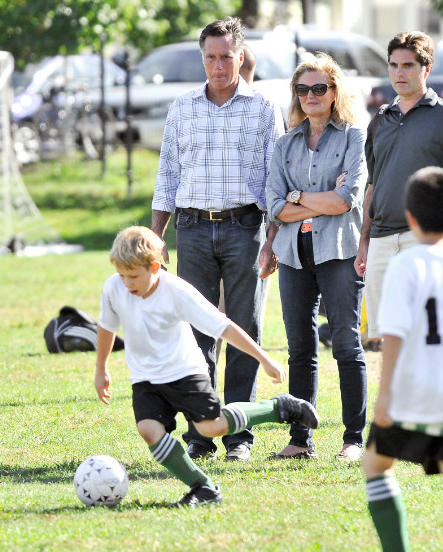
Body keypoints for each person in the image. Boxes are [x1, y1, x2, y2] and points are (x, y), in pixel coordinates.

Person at [94, 226, 319, 506]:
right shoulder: (114, 287)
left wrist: (264, 358)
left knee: (211, 427)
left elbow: (223, 326)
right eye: (122, 275)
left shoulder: (176, 291)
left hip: (185, 372)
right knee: (148, 430)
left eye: (133, 276)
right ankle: (204, 488)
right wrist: (101, 368)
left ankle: (279, 408)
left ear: (154, 267)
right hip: (146, 378)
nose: (127, 284)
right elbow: (107, 327)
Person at [151, 17, 284, 462]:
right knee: (195, 332)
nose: (219, 65)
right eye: (211, 57)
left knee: (244, 329)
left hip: (246, 229)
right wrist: (156, 235)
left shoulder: (264, 108)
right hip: (190, 229)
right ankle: (201, 431)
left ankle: (239, 435)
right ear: (202, 58)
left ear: (240, 56)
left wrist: (273, 238)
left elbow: (275, 181)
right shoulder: (182, 107)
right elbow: (167, 174)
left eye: (227, 56)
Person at [362, 167, 443, 552]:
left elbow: (395, 336)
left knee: (375, 465)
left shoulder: (407, 264)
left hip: (413, 390)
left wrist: (385, 395)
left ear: (410, 217)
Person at [265, 54, 367, 461]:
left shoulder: (355, 138)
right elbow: (274, 207)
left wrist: (297, 199)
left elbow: (348, 200)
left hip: (339, 251)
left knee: (345, 343)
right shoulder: (284, 143)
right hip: (292, 255)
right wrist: (314, 200)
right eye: (302, 89)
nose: (310, 96)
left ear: (334, 92)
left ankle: (354, 439)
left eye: (319, 88)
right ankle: (300, 440)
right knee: (299, 348)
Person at [355, 31, 443, 353]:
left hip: (427, 239)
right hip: (382, 240)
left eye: (408, 65)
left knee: (428, 331)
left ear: (427, 69)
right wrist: (365, 241)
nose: (399, 73)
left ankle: (436, 400)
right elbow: (374, 183)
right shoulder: (380, 119)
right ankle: (399, 403)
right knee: (387, 338)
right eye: (394, 65)